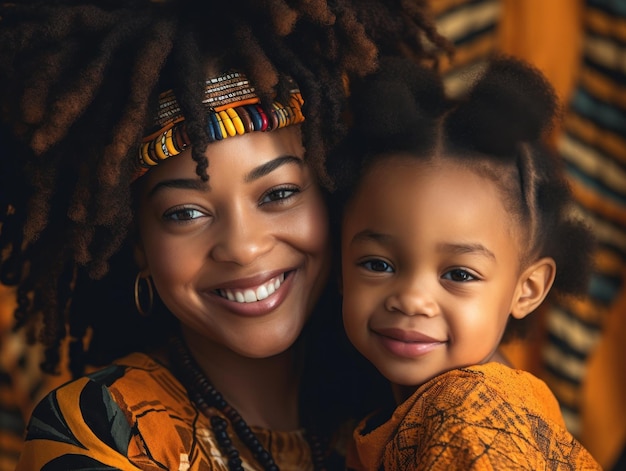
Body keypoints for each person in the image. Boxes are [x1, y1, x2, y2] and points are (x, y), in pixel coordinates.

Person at [0, 1, 452, 469]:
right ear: (137, 246)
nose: (243, 246)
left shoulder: (416, 401)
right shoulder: (101, 430)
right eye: (185, 213)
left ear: (336, 202)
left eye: (278, 194)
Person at [328, 56, 603, 470]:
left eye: (458, 274)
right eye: (378, 265)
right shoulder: (420, 407)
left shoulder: (470, 423)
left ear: (527, 289)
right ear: (340, 263)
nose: (411, 300)